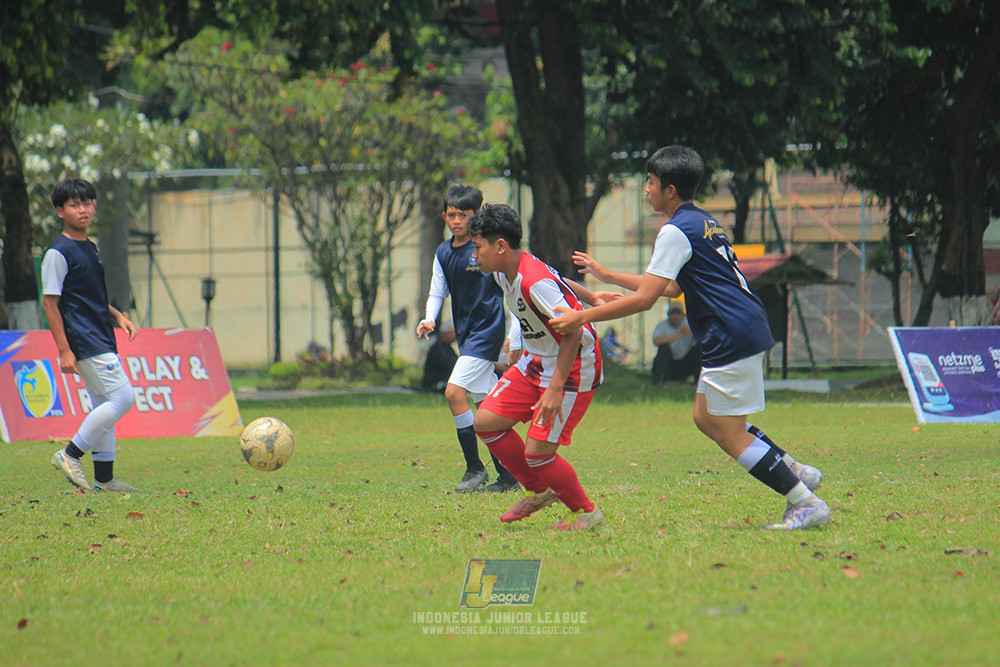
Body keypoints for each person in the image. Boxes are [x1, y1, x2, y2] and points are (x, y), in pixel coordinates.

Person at [550, 146, 829, 530]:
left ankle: (804, 501)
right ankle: (793, 468)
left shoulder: (675, 231)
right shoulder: (702, 222)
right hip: (739, 326)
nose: (645, 189)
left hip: (729, 332)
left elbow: (647, 298)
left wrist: (583, 315)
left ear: (669, 189)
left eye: (649, 182)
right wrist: (610, 276)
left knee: (729, 432)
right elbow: (672, 287)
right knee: (706, 418)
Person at [468, 203, 604, 530]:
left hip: (572, 366)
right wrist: (594, 297)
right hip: (535, 360)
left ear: (500, 246)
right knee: (485, 422)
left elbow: (572, 333)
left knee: (538, 453)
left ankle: (586, 511)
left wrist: (555, 389)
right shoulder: (506, 270)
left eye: (477, 247)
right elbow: (560, 280)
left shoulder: (532, 281)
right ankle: (541, 490)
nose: (474, 256)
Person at [416, 185, 521, 493]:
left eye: (464, 215)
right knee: (486, 409)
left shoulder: (486, 249)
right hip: (466, 335)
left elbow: (511, 292)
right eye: (451, 214)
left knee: (452, 393)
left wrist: (513, 335)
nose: (457, 220)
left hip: (486, 334)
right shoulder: (443, 252)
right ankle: (509, 476)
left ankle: (475, 468)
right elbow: (438, 290)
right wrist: (430, 317)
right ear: (444, 216)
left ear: (476, 215)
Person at [43, 178, 140, 493]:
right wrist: (64, 350)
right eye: (74, 205)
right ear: (60, 211)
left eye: (87, 203)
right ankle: (70, 454)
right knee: (123, 398)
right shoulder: (57, 253)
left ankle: (104, 480)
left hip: (100, 333)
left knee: (104, 403)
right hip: (84, 340)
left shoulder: (89, 247)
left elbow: (89, 296)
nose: (82, 210)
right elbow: (51, 303)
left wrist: (117, 315)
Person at [651, 301, 700, 384]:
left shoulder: (690, 323)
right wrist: (680, 335)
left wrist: (693, 333)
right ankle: (659, 379)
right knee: (663, 348)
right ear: (669, 316)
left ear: (683, 315)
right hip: (670, 364)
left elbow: (704, 337)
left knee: (699, 349)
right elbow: (656, 341)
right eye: (673, 314)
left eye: (678, 314)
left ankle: (698, 381)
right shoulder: (662, 326)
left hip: (685, 364)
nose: (675, 317)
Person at [421, 321, 459, 394]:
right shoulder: (439, 348)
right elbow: (452, 365)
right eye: (453, 332)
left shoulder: (447, 348)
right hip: (435, 383)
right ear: (445, 333)